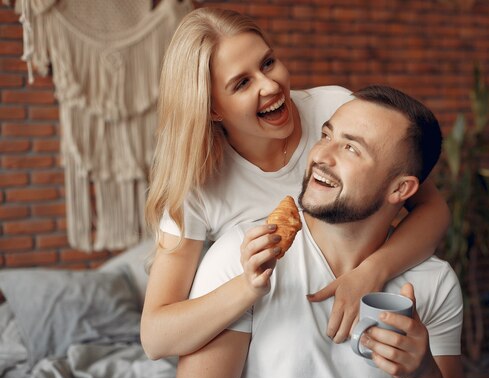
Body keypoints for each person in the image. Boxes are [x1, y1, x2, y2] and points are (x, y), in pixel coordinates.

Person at [141, 7, 451, 360]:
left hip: (357, 341)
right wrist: (247, 288)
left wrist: (371, 272)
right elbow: (156, 338)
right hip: (267, 346)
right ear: (212, 108)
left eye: (268, 63)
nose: (270, 86)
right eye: (242, 83)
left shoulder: (336, 110)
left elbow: (433, 208)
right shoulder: (196, 185)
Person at [175, 85, 472, 378]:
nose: (321, 156)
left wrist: (421, 376)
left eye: (350, 148)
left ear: (400, 188)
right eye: (326, 135)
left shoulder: (432, 282)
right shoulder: (247, 255)